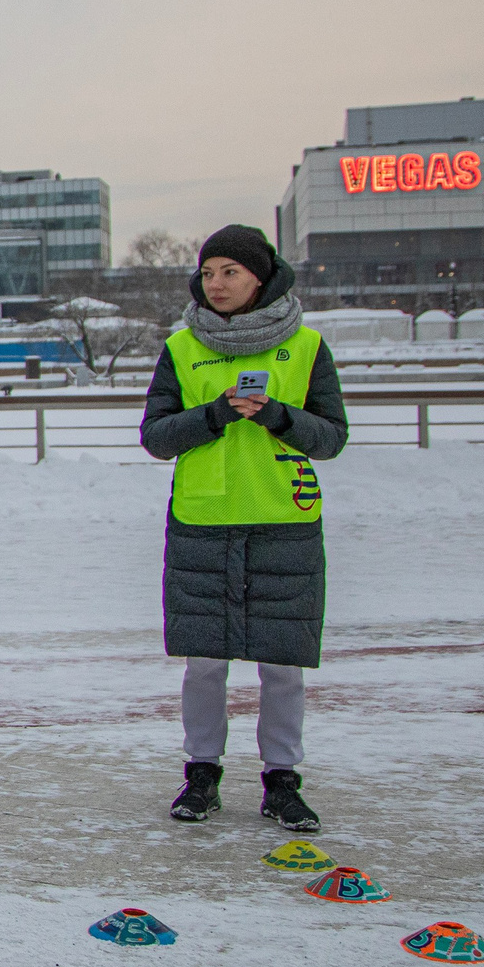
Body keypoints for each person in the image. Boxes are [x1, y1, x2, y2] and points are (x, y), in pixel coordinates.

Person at [138, 225, 348, 832]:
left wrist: (280, 417)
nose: (217, 284)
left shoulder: (306, 347)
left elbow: (331, 437)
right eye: (208, 273)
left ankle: (282, 782)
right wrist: (213, 415)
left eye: (229, 271)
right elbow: (155, 436)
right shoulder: (182, 349)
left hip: (285, 520)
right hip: (204, 523)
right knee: (204, 662)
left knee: (283, 663)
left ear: (261, 276)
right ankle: (201, 775)